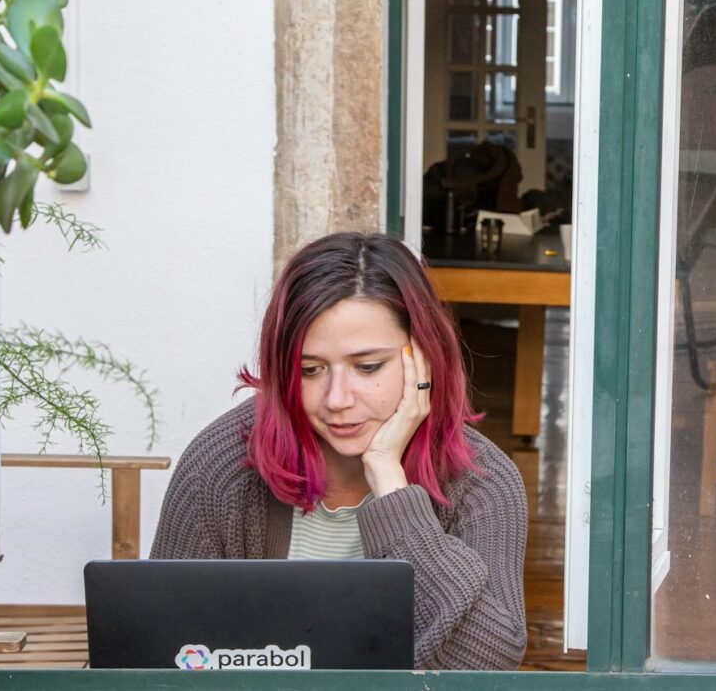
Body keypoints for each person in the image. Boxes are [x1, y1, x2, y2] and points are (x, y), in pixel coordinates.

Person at [150, 232, 528, 670]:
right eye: (309, 370)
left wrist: (391, 485)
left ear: (424, 359)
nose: (336, 399)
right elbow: (165, 652)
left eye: (367, 367)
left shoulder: (481, 482)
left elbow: (488, 665)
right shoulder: (220, 466)